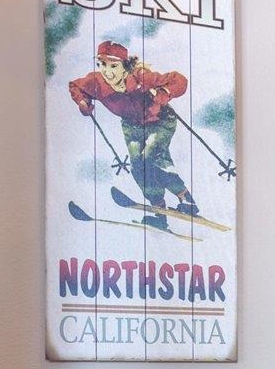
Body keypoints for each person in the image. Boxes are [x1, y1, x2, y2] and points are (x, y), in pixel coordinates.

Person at [68, 40, 196, 229]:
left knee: (150, 160)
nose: (107, 72)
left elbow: (180, 80)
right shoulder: (96, 82)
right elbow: (75, 86)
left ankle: (185, 198)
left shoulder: (141, 77)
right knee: (138, 167)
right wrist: (83, 102)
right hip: (132, 127)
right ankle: (159, 212)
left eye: (113, 66)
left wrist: (164, 93)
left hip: (159, 122)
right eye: (102, 64)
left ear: (125, 65)